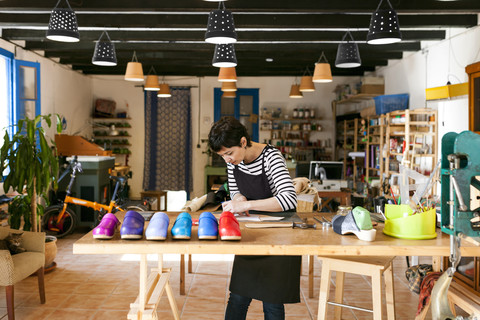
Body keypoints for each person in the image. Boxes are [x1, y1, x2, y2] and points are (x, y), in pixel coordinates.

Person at [208, 116, 300, 320]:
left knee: (273, 301)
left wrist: (246, 204)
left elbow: (288, 199)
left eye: (229, 153)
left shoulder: (271, 157)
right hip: (253, 233)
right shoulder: (234, 162)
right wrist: (238, 198)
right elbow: (234, 191)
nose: (227, 160)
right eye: (222, 155)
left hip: (279, 234)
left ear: (243, 141)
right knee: (238, 296)